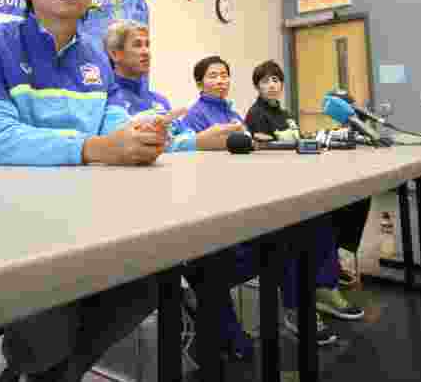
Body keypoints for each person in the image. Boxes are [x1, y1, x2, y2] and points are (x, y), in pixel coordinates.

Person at [0, 0, 176, 382]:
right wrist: (94, 148)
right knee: (53, 317)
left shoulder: (96, 57)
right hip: (9, 218)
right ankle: (39, 369)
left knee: (153, 277)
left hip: (86, 213)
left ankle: (45, 373)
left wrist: (143, 136)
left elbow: (115, 129)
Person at [182, 56, 364, 357]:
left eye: (225, 75)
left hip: (247, 191)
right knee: (292, 229)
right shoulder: (196, 116)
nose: (220, 80)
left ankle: (323, 285)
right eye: (213, 76)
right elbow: (206, 164)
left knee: (317, 214)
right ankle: (298, 303)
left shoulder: (231, 111)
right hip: (223, 206)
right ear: (199, 82)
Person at [244, 60, 366, 289]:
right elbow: (265, 152)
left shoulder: (285, 113)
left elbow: (299, 140)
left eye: (275, 80)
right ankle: (323, 272)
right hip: (278, 182)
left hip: (301, 174)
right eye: (264, 81)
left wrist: (324, 137)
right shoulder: (256, 114)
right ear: (257, 86)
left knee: (356, 196)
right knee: (322, 213)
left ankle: (334, 257)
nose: (271, 85)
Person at [104, 20, 242, 152]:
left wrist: (202, 139)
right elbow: (124, 147)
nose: (146, 51)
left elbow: (185, 135)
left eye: (147, 45)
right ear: (115, 54)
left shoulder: (160, 101)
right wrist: (199, 142)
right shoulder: (108, 99)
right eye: (137, 45)